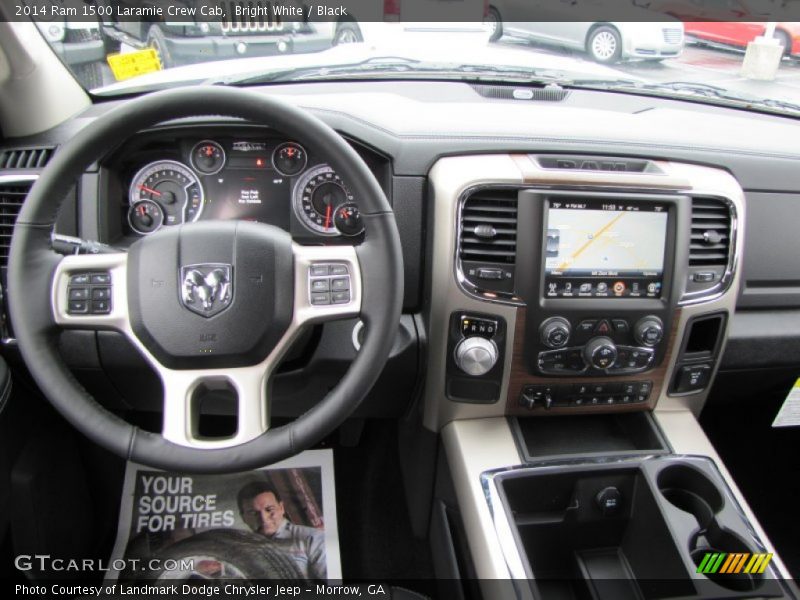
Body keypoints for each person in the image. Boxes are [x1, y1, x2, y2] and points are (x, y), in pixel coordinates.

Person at [237, 481, 326, 580]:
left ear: (281, 508)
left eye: (269, 509)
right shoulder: (240, 549)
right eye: (253, 513)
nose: (263, 518)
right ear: (243, 517)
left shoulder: (312, 538)